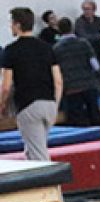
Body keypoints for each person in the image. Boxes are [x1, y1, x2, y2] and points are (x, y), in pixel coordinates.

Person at [1, 8, 62, 162]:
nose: (10, 27)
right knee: (33, 148)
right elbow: (58, 80)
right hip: (49, 104)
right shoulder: (46, 47)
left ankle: (51, 185)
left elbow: (6, 86)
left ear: (17, 25)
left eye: (11, 23)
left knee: (38, 154)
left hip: (29, 105)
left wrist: (2, 105)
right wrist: (55, 104)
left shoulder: (11, 50)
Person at [53, 16, 100, 126]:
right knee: (95, 115)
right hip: (88, 84)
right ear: (72, 28)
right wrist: (99, 76)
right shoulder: (84, 43)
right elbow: (94, 63)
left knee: (76, 120)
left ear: (59, 30)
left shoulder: (56, 48)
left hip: (71, 87)